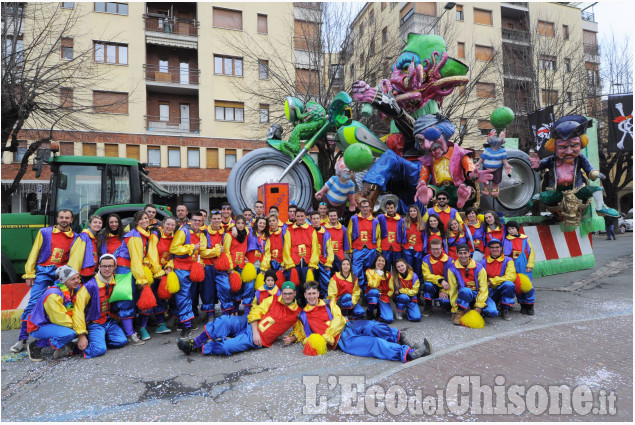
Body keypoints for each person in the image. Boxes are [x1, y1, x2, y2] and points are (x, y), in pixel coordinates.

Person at [288, 281, 431, 362]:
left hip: (347, 326)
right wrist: (292, 338)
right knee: (373, 343)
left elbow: (338, 318)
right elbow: (301, 332)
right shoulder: (303, 315)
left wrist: (328, 335)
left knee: (372, 325)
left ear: (318, 293)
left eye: (314, 293)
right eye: (309, 294)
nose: (312, 296)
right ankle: (408, 353)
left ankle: (400, 338)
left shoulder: (327, 303)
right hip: (341, 340)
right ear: (305, 296)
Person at [176, 281, 302, 356]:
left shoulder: (296, 313)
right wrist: (255, 332)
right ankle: (194, 343)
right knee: (224, 320)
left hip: (257, 340)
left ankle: (200, 348)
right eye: (285, 293)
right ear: (281, 293)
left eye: (290, 293)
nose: (287, 296)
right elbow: (255, 312)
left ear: (295, 293)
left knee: (226, 348)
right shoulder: (273, 299)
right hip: (248, 325)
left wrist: (292, 338)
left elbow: (300, 331)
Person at [12, 209, 77, 354]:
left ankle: (61, 337)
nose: (64, 220)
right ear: (57, 218)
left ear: (72, 220)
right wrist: (30, 273)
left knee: (64, 302)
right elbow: (34, 252)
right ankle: (22, 340)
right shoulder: (45, 232)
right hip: (43, 271)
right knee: (33, 303)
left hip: (60, 273)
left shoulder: (75, 237)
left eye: (67, 217)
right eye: (61, 217)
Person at [113, 210, 162, 345]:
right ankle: (130, 334)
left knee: (144, 299)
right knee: (127, 300)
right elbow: (135, 259)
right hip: (126, 270)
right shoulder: (134, 236)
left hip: (137, 268)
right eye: (141, 219)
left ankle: (141, 328)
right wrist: (142, 279)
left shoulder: (147, 235)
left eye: (146, 218)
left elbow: (145, 255)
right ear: (136, 222)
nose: (144, 221)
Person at [73, 254, 128, 358]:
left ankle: (99, 340)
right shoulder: (89, 287)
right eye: (104, 266)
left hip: (109, 320)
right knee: (99, 350)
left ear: (115, 266)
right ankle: (75, 348)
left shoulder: (117, 281)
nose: (107, 269)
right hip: (95, 323)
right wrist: (81, 335)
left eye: (110, 266)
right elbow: (78, 311)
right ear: (99, 266)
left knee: (122, 341)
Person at [169, 210, 213, 337]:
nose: (197, 223)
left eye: (200, 221)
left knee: (190, 296)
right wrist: (191, 248)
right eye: (195, 220)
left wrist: (216, 251)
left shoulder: (202, 233)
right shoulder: (183, 231)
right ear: (190, 220)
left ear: (203, 221)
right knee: (183, 297)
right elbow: (173, 248)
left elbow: (202, 252)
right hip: (181, 268)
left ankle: (186, 321)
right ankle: (186, 325)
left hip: (193, 269)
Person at [25, 265, 81, 362]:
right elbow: (60, 319)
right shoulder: (53, 295)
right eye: (73, 279)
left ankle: (63, 345)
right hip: (39, 326)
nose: (77, 281)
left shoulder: (70, 289)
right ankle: (36, 346)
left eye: (77, 278)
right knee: (70, 333)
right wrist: (80, 327)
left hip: (51, 322)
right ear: (64, 281)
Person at [447, 244, 497, 325]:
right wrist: (454, 309)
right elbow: (452, 290)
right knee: (465, 290)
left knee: (493, 312)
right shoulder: (452, 268)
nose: (463, 256)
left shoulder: (479, 267)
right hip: (463, 294)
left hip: (477, 294)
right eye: (460, 253)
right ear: (456, 254)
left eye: (465, 253)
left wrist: (479, 305)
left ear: (469, 253)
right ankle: (460, 311)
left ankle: (477, 311)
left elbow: (483, 288)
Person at [146, 216, 178, 337]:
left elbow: (174, 255)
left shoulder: (174, 236)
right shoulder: (156, 235)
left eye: (172, 225)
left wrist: (169, 267)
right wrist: (158, 271)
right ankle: (159, 323)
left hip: (167, 270)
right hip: (156, 271)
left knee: (170, 295)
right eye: (168, 224)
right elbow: (152, 253)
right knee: (158, 296)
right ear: (163, 224)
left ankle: (170, 317)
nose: (170, 227)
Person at [283, 208, 318, 306]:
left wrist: (313, 263)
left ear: (305, 216)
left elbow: (315, 248)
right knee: (295, 287)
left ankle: (309, 307)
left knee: (308, 287)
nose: (300, 218)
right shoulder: (289, 230)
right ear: (295, 216)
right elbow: (286, 248)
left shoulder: (311, 230)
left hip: (308, 263)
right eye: (298, 216)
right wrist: (290, 264)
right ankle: (295, 307)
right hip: (294, 263)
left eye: (302, 216)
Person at [223, 215, 255, 316]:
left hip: (243, 265)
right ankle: (234, 309)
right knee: (235, 288)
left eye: (242, 223)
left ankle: (247, 310)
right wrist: (229, 266)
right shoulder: (229, 235)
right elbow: (226, 251)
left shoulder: (247, 233)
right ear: (235, 224)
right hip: (233, 267)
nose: (240, 225)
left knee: (249, 287)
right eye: (238, 223)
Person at [347, 199, 381, 292]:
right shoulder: (354, 219)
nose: (365, 208)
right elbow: (349, 234)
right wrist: (349, 250)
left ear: (370, 208)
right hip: (357, 248)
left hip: (371, 249)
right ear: (360, 208)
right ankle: (360, 289)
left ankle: (367, 290)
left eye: (367, 207)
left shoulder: (375, 220)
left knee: (369, 271)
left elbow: (378, 236)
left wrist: (378, 249)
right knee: (357, 272)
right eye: (363, 207)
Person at [503, 221, 536, 315]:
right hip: (512, 265)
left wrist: (530, 265)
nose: (511, 230)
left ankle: (530, 305)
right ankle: (522, 305)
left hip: (524, 264)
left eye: (513, 228)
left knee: (528, 285)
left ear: (517, 229)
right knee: (518, 285)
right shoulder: (507, 240)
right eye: (509, 229)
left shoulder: (525, 239)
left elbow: (531, 252)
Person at [480, 239, 517, 321]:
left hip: (502, 287)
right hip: (490, 289)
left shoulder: (508, 260)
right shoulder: (483, 262)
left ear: (501, 248)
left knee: (509, 284)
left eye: (497, 247)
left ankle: (505, 309)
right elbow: (481, 279)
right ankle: (495, 303)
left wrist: (492, 281)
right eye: (492, 247)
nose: (494, 249)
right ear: (489, 249)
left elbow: (511, 276)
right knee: (488, 310)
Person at [201, 210, 226, 321]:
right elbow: (202, 252)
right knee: (208, 290)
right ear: (210, 219)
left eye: (218, 218)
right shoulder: (205, 233)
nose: (216, 220)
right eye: (214, 218)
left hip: (222, 266)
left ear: (221, 219)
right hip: (208, 266)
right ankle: (210, 313)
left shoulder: (226, 232)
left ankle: (226, 312)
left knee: (225, 288)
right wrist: (216, 251)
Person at [420, 238, 452, 316]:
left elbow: (453, 280)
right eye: (433, 249)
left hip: (446, 287)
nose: (436, 251)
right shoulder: (426, 260)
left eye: (437, 249)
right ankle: (428, 306)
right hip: (433, 286)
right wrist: (440, 280)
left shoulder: (450, 260)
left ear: (442, 248)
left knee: (444, 302)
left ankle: (446, 306)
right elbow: (426, 276)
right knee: (427, 285)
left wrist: (445, 291)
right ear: (430, 249)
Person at [68, 215, 103, 283]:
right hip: (84, 274)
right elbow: (76, 257)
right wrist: (73, 275)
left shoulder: (94, 237)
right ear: (89, 224)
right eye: (95, 222)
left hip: (92, 272)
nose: (97, 224)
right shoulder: (83, 236)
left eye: (100, 223)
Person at [309, 211, 334, 299]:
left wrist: (329, 262)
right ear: (310, 220)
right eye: (314, 219)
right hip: (311, 261)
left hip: (323, 260)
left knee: (326, 281)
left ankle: (326, 299)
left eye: (317, 218)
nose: (316, 220)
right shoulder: (308, 232)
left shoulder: (326, 233)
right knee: (311, 281)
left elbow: (330, 249)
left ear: (320, 219)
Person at [364, 254, 394, 322]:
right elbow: (373, 284)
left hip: (383, 297)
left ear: (385, 263)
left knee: (388, 319)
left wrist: (386, 297)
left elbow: (391, 289)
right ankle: (370, 311)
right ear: (375, 262)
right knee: (374, 292)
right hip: (371, 295)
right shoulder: (369, 271)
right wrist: (378, 272)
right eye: (379, 260)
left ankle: (380, 309)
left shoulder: (388, 275)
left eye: (383, 261)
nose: (381, 262)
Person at [377, 199, 404, 271]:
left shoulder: (400, 219)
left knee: (397, 267)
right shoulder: (380, 218)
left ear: (395, 208)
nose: (390, 210)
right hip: (385, 246)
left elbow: (403, 232)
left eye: (391, 208)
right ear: (385, 209)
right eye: (388, 208)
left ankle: (396, 282)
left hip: (397, 246)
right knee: (385, 267)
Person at [402, 205, 426, 278]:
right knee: (408, 268)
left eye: (414, 211)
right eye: (410, 211)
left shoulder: (422, 223)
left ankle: (418, 283)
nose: (412, 213)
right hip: (407, 248)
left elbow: (424, 237)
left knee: (418, 268)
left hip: (418, 248)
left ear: (417, 212)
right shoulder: (405, 222)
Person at [324, 208, 348, 273]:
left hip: (340, 257)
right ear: (328, 217)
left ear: (337, 216)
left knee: (341, 276)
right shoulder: (324, 229)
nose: (333, 217)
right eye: (331, 216)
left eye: (334, 215)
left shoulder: (343, 228)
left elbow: (345, 243)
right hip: (328, 258)